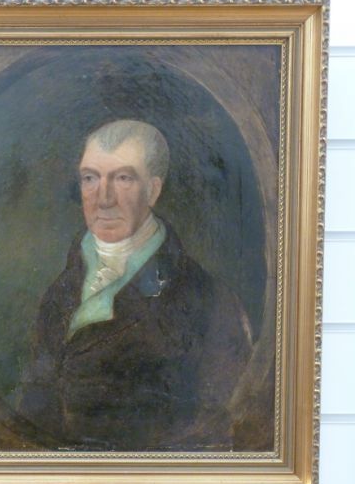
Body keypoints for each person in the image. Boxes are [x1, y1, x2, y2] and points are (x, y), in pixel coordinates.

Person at [18, 120, 253, 451]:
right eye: (90, 178)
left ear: (153, 191)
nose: (104, 199)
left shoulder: (208, 299)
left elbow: (212, 435)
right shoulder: (60, 292)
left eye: (123, 178)